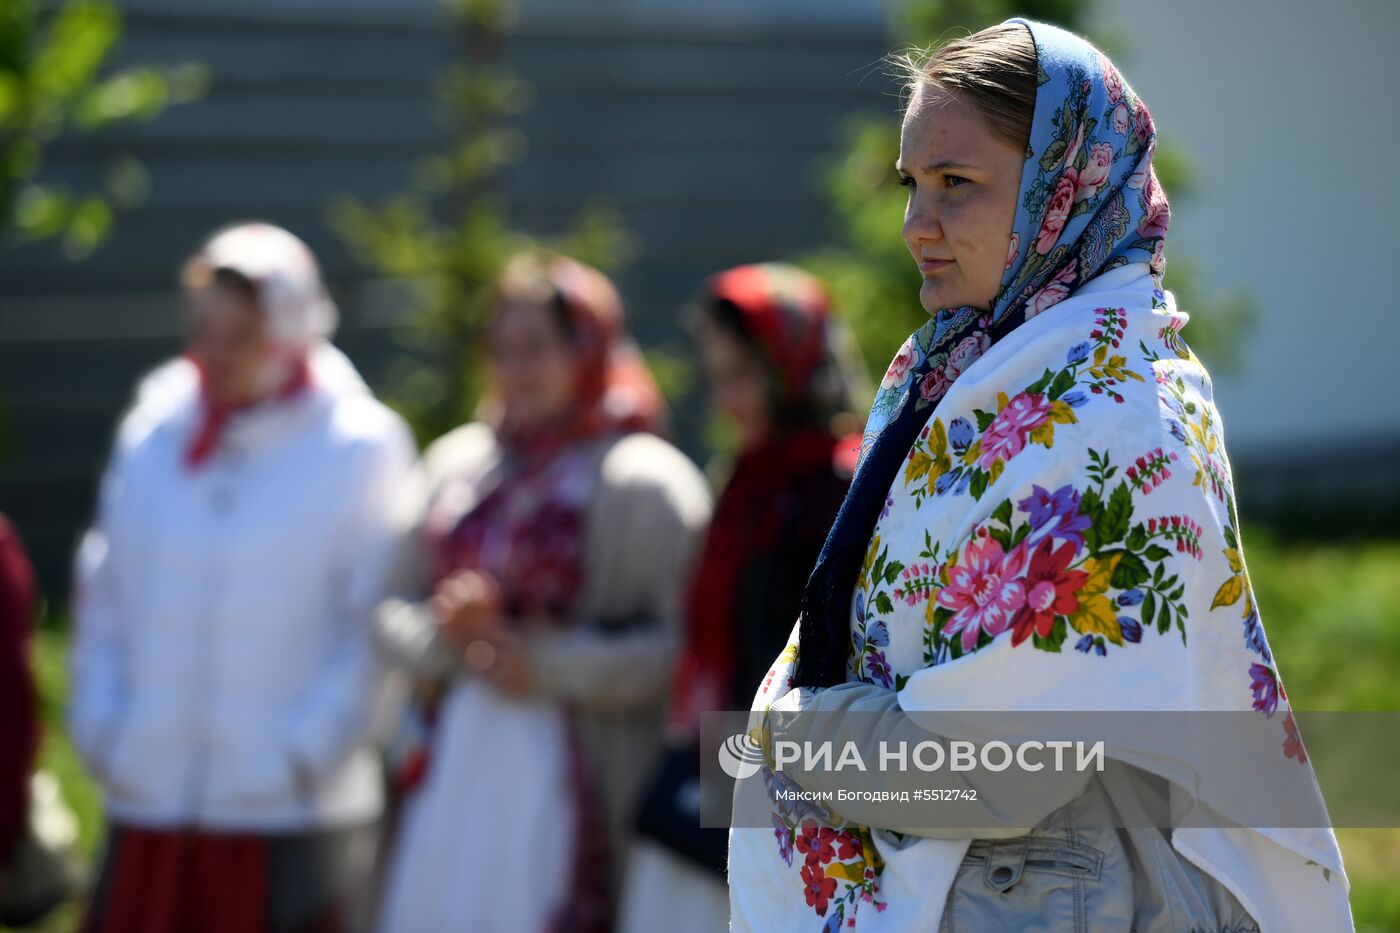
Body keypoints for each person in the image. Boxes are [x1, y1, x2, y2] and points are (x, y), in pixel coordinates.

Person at [728, 19, 1353, 933]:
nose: (915, 225)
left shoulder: (1111, 415)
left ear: (1068, 189)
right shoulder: (984, 371)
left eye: (957, 185)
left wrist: (789, 735)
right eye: (911, 183)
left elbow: (989, 773)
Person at [70, 222, 417, 933]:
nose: (218, 352)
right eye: (206, 329)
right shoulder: (158, 429)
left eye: (241, 331)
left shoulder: (355, 443)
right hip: (153, 789)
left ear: (289, 324)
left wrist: (304, 751)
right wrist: (103, 726)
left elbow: (374, 617)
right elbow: (106, 587)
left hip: (283, 808)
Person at [374, 253, 712, 933]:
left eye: (535, 348)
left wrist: (546, 661)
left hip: (574, 774)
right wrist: (449, 632)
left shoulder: (646, 482)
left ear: (586, 348)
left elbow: (685, 650)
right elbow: (387, 607)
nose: (514, 368)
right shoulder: (457, 464)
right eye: (501, 349)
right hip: (454, 767)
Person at [619, 263, 866, 932]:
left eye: (743, 377)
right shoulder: (745, 481)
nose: (726, 400)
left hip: (789, 783)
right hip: (717, 763)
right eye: (718, 377)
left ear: (793, 369)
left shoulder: (839, 486)